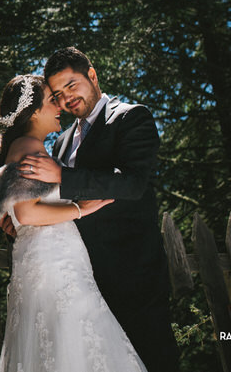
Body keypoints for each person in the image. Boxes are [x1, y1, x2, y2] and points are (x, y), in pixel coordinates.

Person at [18, 47, 180, 372]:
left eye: (72, 85)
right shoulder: (61, 142)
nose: (66, 99)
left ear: (92, 76)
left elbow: (132, 184)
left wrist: (63, 176)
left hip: (134, 277)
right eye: (58, 94)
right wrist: (27, 220)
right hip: (84, 283)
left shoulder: (131, 117)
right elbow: (65, 201)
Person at [0, 74, 147, 372]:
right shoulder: (30, 145)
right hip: (55, 264)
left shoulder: (22, 146)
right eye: (51, 101)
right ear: (33, 112)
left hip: (45, 260)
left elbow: (20, 213)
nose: (59, 105)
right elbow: (29, 213)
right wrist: (79, 208)